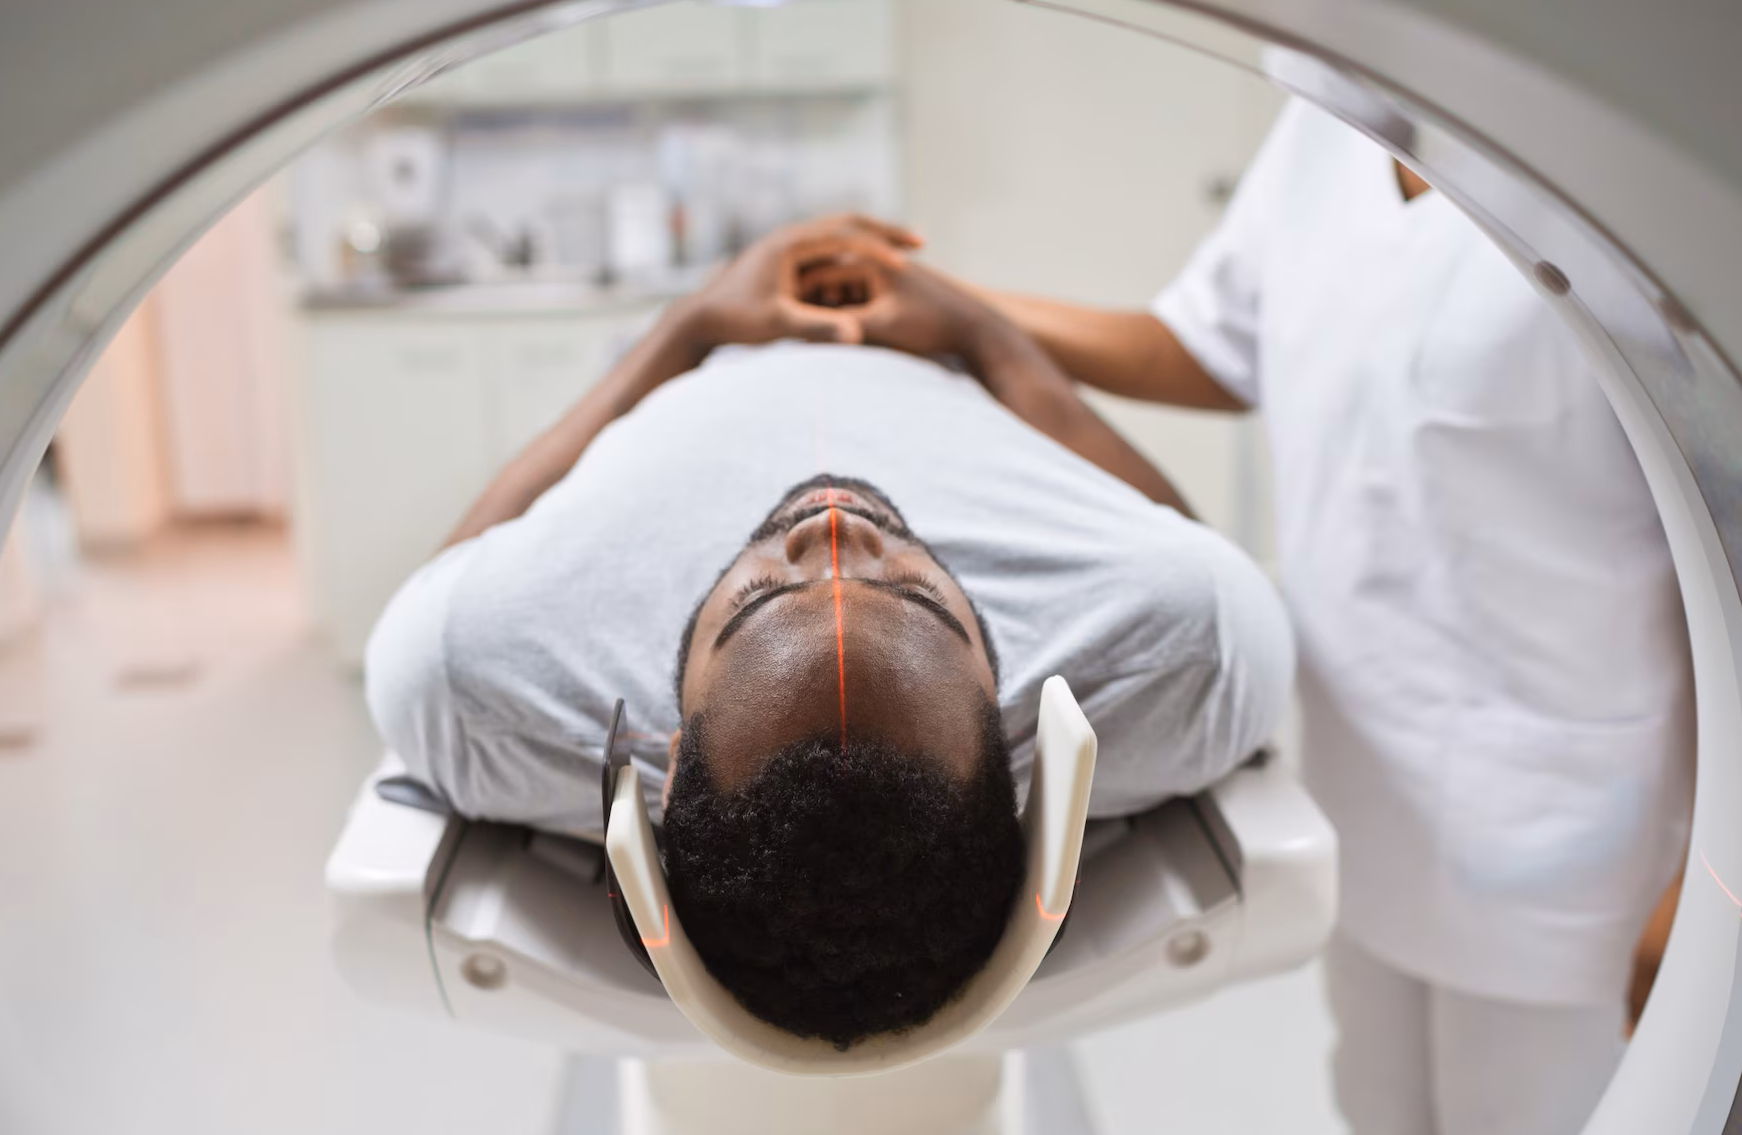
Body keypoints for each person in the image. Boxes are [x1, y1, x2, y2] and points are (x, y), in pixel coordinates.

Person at [949, 101, 1694, 1135]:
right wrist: (954, 312)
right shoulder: (1329, 127)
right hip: (1364, 789)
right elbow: (1205, 343)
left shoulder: (1615, 174)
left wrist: (1702, 868)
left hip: (1569, 830)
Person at [365, 217, 1292, 1049]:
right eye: (923, 598)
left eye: (758, 600)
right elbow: (1195, 556)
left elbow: (444, 587)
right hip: (925, 354)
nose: (837, 529)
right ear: (1005, 734)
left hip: (722, 354)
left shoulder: (480, 678)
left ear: (673, 763)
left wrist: (689, 329)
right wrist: (981, 335)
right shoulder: (1182, 653)